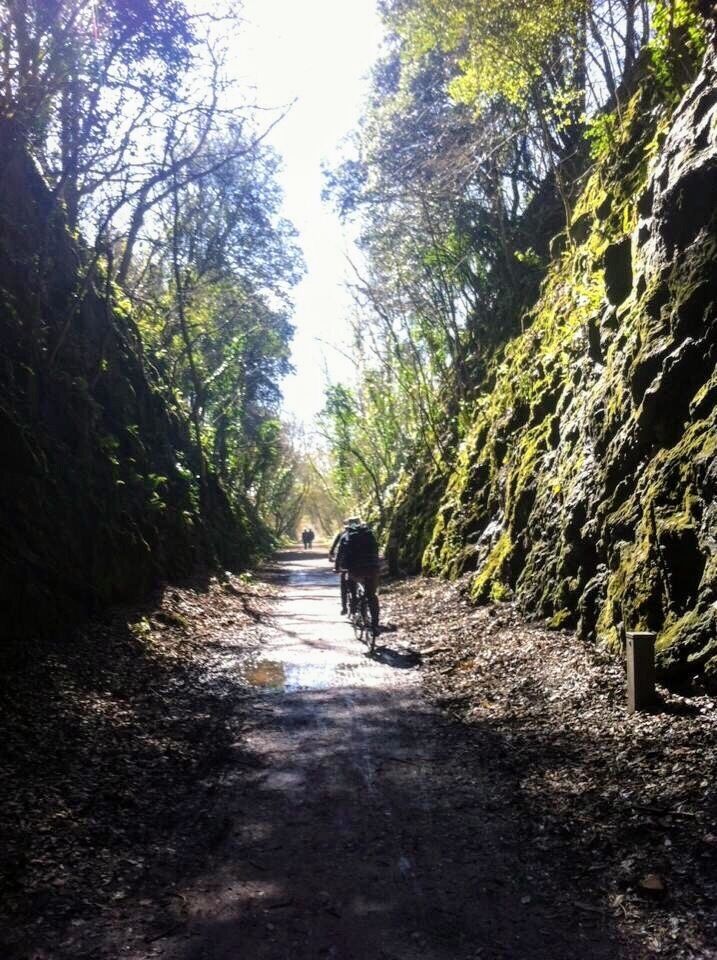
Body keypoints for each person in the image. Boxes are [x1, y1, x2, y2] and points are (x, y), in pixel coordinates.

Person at [329, 517, 380, 632]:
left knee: (349, 585)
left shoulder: (345, 535)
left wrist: (337, 568)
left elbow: (340, 554)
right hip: (372, 568)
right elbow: (376, 550)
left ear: (347, 525)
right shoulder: (369, 533)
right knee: (371, 595)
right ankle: (375, 624)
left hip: (355, 569)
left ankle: (351, 608)